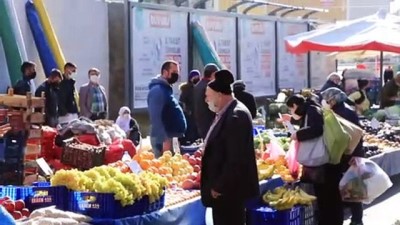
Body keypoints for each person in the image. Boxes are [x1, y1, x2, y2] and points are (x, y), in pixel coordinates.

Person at [201, 69, 259, 225]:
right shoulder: (226, 112)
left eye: (208, 95)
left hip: (229, 191)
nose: (206, 99)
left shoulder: (236, 115)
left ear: (219, 95)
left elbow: (235, 158)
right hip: (225, 191)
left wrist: (219, 187)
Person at [284, 95, 343, 225]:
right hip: (323, 162)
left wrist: (298, 135)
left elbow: (316, 129)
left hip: (321, 162)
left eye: (290, 109)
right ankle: (330, 220)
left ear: (294, 105)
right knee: (326, 195)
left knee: (326, 195)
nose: (291, 113)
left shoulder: (311, 110)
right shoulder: (311, 109)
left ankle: (329, 221)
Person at [321, 87, 364, 225]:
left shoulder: (340, 113)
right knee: (352, 189)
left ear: (333, 100)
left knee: (351, 190)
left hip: (345, 156)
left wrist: (355, 155)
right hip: (350, 155)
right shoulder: (347, 110)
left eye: (327, 99)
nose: (325, 102)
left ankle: (356, 220)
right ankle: (357, 219)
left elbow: (354, 135)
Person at [147, 60, 186, 157]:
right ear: (165, 72)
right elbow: (156, 117)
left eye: (178, 73)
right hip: (164, 140)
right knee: (163, 168)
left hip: (169, 137)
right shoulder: (158, 90)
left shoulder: (165, 89)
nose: (177, 75)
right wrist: (164, 140)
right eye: (174, 72)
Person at [193, 63, 219, 139]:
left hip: (200, 121)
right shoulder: (209, 87)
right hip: (210, 121)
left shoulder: (198, 85)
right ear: (213, 74)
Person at [179, 70, 200, 145]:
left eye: (198, 77)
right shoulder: (186, 89)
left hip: (198, 114)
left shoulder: (200, 88)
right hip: (189, 115)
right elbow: (182, 101)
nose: (197, 78)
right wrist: (187, 111)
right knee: (190, 131)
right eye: (195, 77)